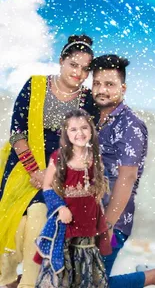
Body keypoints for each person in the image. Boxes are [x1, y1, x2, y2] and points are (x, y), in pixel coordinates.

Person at [0, 35, 96, 288]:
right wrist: (34, 170)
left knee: (39, 219)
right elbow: (17, 131)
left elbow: (84, 142)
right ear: (61, 61)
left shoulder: (87, 99)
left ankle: (28, 283)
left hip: (61, 170)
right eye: (74, 65)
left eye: (85, 68)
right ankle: (8, 279)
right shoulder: (36, 85)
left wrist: (51, 174)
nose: (79, 73)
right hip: (22, 165)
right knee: (11, 219)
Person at [91, 54, 155, 287]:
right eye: (97, 83)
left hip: (113, 222)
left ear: (123, 88)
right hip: (83, 215)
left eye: (109, 84)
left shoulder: (131, 126)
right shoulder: (90, 119)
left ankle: (150, 276)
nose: (101, 90)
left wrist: (106, 226)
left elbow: (126, 178)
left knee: (93, 284)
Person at [34, 109, 111, 288]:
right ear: (66, 134)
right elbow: (47, 187)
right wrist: (61, 208)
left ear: (91, 130)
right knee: (63, 269)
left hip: (89, 222)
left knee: (85, 269)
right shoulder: (59, 158)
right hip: (65, 222)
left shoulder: (96, 157)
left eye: (84, 128)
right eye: (73, 129)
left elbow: (99, 188)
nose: (80, 133)